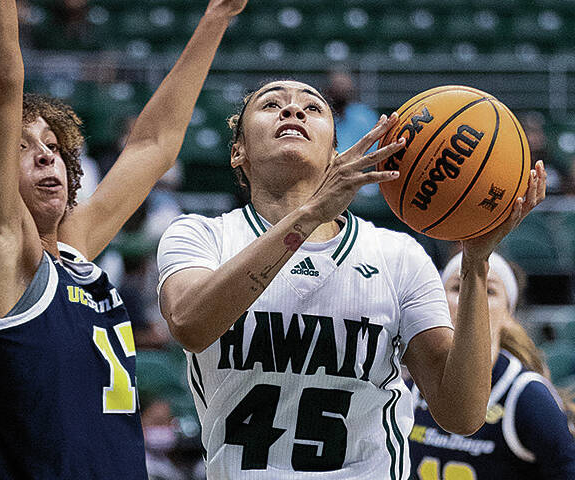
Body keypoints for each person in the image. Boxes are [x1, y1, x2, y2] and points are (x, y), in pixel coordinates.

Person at [0, 0, 247, 477]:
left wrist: (218, 15)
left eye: (53, 146)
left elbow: (153, 145)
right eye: (22, 146)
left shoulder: (70, 255)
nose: (47, 157)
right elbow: (1, 81)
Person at [156, 79, 547, 478]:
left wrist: (476, 262)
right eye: (271, 104)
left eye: (312, 108)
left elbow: (462, 413)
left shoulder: (398, 257)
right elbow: (190, 324)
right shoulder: (200, 236)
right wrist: (308, 215)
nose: (293, 110)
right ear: (238, 152)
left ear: (333, 153)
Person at [409, 252, 575, 479]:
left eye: (489, 291)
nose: (472, 299)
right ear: (439, 301)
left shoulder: (526, 394)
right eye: (458, 288)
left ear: (509, 315)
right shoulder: (412, 385)